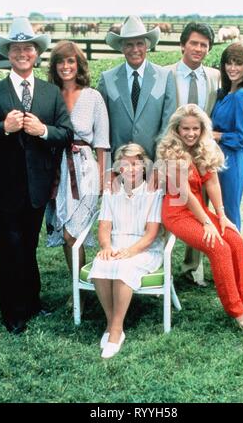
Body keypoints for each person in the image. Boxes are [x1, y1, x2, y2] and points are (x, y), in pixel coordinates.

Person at [0, 18, 73, 334]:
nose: (22, 54)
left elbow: (66, 133)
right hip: (6, 186)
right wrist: (1, 130)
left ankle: (33, 301)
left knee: (29, 247)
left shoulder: (50, 93)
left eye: (28, 48)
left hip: (38, 186)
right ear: (9, 53)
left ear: (36, 54)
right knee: (10, 247)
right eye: (16, 49)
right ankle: (13, 312)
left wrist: (44, 130)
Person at [157, 104, 243, 332]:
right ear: (177, 129)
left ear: (202, 128)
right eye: (185, 129)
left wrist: (221, 216)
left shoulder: (203, 147)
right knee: (218, 247)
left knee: (236, 240)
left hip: (200, 210)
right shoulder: (171, 152)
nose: (191, 133)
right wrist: (207, 223)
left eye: (195, 128)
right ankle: (236, 310)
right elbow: (185, 195)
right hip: (177, 212)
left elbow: (211, 182)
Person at [88, 143, 164, 359]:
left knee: (123, 267)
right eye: (125, 165)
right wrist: (106, 247)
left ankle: (115, 331)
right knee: (101, 263)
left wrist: (130, 251)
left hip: (144, 248)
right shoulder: (112, 191)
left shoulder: (154, 192)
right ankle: (113, 324)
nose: (130, 169)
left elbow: (151, 234)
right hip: (116, 243)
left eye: (135, 164)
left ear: (143, 166)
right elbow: (104, 227)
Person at [46, 41, 110, 279]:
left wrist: (104, 180)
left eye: (71, 61)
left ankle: (80, 291)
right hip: (57, 170)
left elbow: (103, 142)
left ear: (79, 64)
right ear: (54, 66)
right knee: (65, 232)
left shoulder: (93, 97)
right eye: (60, 61)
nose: (66, 66)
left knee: (75, 232)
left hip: (85, 171)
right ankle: (78, 286)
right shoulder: (50, 95)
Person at [166, 22, 221, 285]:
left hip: (199, 154)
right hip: (172, 153)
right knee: (168, 208)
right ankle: (159, 263)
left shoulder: (214, 77)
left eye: (204, 45)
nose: (198, 49)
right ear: (183, 44)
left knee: (201, 208)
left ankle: (192, 267)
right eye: (194, 43)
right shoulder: (166, 75)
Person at [97, 15, 176, 162]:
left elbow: (168, 127)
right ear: (122, 48)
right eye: (129, 44)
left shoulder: (165, 77)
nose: (135, 49)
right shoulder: (107, 79)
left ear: (147, 46)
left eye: (140, 44)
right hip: (118, 164)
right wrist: (107, 168)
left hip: (153, 162)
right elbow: (102, 129)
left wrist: (159, 166)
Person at [212, 42, 243, 230]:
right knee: (221, 215)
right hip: (220, 160)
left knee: (230, 214)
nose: (232, 68)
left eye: (238, 63)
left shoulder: (240, 96)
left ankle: (237, 258)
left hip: (232, 163)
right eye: (228, 63)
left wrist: (217, 135)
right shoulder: (226, 93)